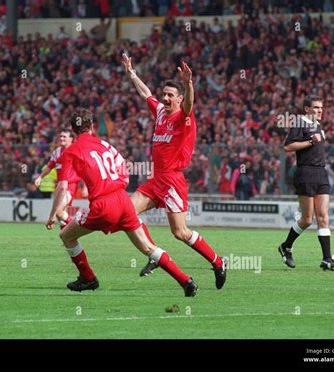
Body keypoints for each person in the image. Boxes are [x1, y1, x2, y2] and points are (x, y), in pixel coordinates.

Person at [46, 108, 198, 296]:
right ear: (91, 126)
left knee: (66, 236)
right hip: (123, 199)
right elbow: (124, 173)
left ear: (72, 129)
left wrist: (53, 214)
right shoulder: (105, 145)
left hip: (103, 205)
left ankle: (88, 278)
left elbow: (62, 187)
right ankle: (185, 281)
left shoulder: (71, 152)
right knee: (148, 247)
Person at [121, 53, 227, 289]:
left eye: (171, 95)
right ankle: (155, 255)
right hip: (156, 180)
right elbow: (146, 94)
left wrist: (189, 83)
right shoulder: (160, 113)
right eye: (165, 95)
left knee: (180, 232)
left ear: (179, 99)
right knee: (126, 213)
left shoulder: (183, 118)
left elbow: (190, 105)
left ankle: (218, 262)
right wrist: (132, 74)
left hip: (172, 182)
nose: (166, 98)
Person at [278, 95, 334, 271]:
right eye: (316, 108)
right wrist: (310, 141)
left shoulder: (319, 125)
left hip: (321, 172)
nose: (320, 111)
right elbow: (288, 147)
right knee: (307, 219)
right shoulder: (299, 123)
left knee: (323, 217)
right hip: (305, 172)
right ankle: (285, 246)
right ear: (307, 109)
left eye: (321, 108)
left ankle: (327, 259)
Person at [35, 128, 80, 227]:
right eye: (60, 136)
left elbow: (85, 168)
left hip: (70, 185)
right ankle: (68, 239)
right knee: (61, 215)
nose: (61, 138)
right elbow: (50, 166)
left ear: (71, 139)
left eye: (64, 137)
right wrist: (40, 177)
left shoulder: (76, 151)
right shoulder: (57, 152)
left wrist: (85, 186)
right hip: (59, 185)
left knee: (59, 211)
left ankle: (78, 227)